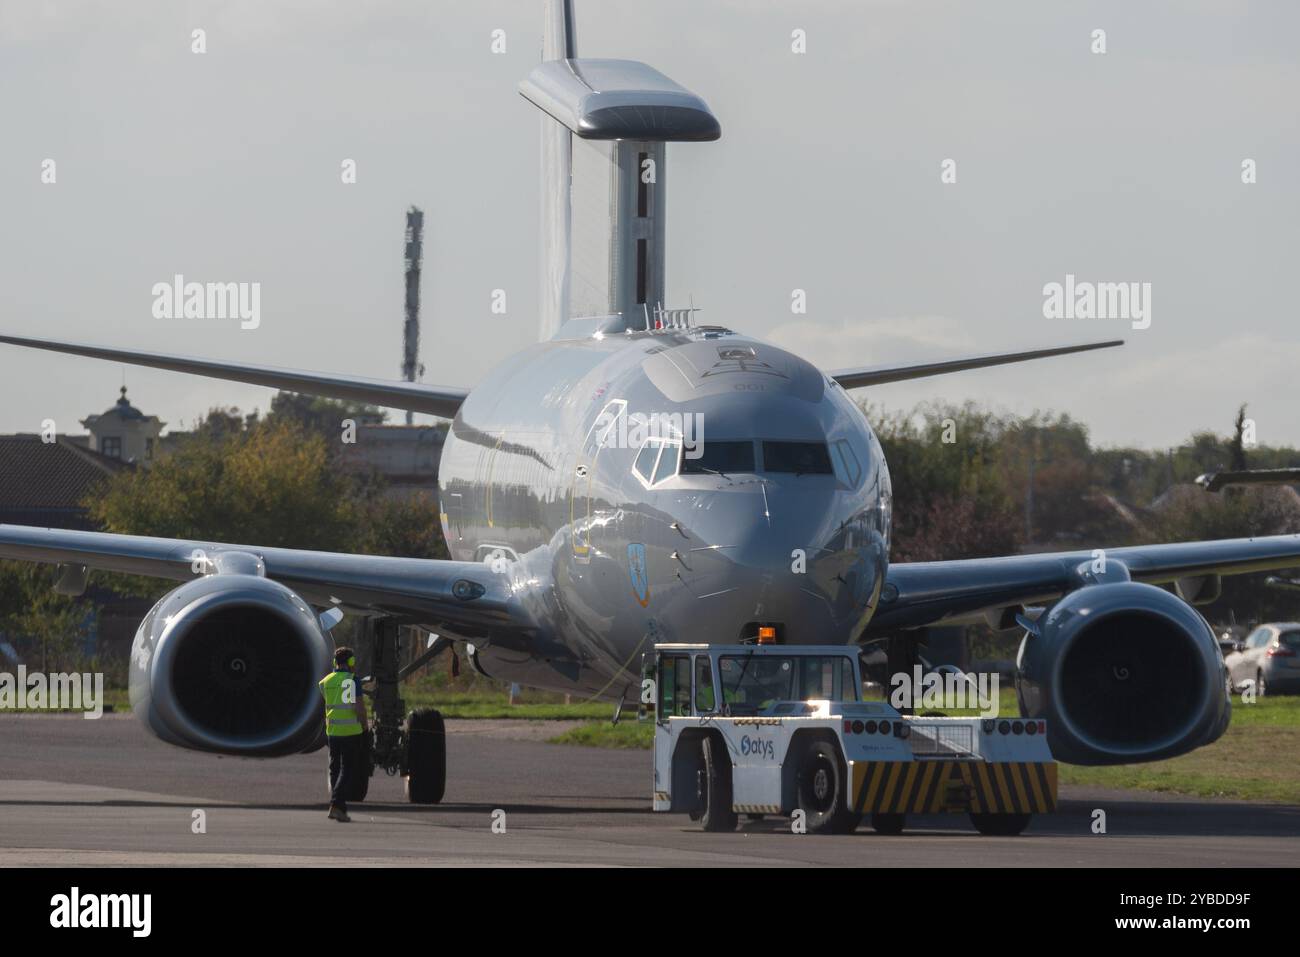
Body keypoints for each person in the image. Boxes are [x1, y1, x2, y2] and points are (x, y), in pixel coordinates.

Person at [319, 646, 367, 822]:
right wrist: (365, 726)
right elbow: (358, 708)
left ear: (334, 662)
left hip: (332, 732)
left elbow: (329, 703)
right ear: (351, 662)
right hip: (350, 732)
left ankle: (339, 806)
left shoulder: (326, 681)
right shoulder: (352, 681)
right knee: (348, 770)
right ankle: (336, 805)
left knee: (334, 768)